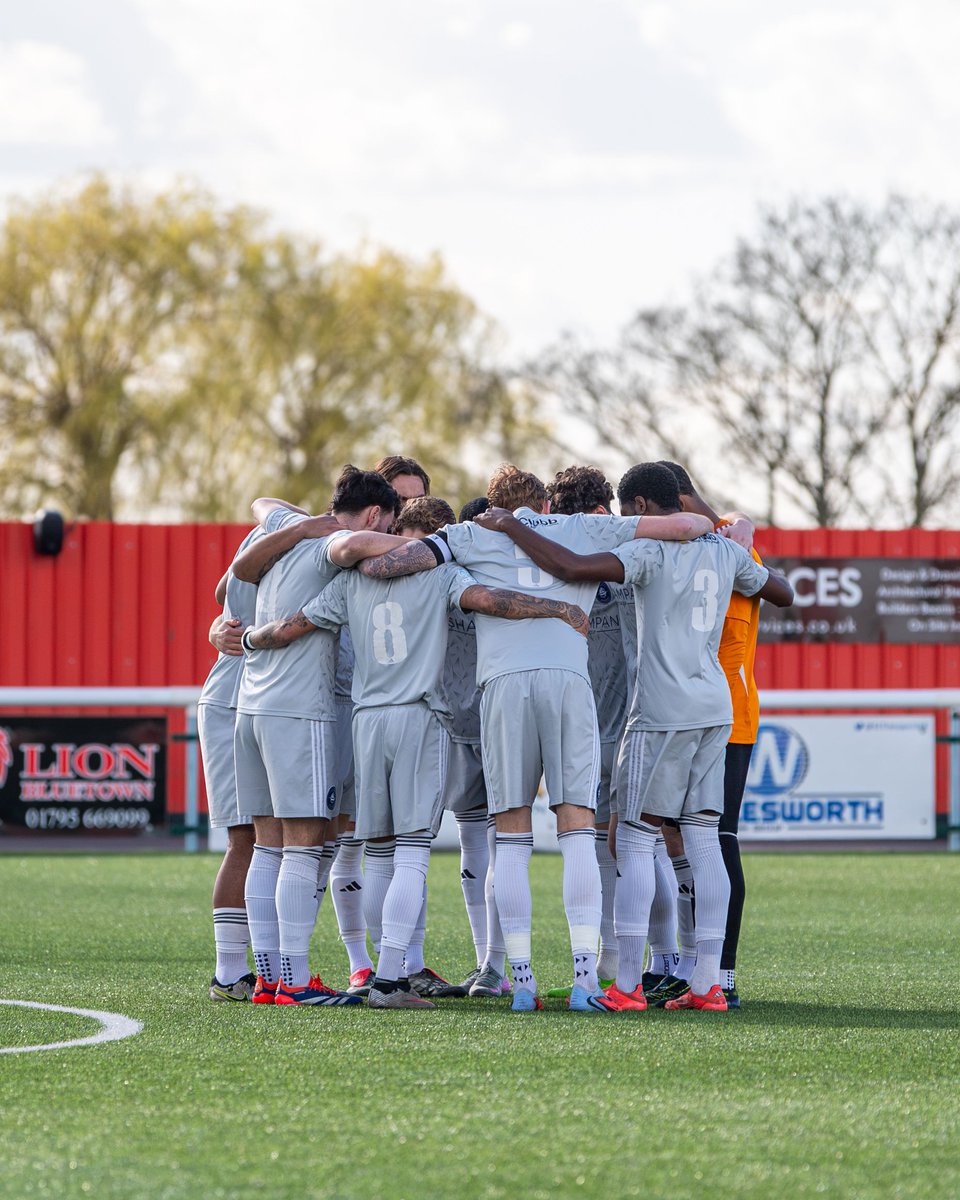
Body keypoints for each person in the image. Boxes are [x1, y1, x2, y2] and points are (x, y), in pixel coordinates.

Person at [354, 463, 713, 1014]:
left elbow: (402, 562)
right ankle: (585, 981)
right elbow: (687, 529)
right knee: (577, 833)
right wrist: (727, 524)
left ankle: (519, 982)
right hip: (569, 685)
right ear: (545, 504)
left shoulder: (472, 534)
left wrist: (343, 551)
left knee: (511, 838)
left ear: (492, 504)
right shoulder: (580, 528)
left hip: (500, 690)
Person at [242, 498, 591, 1010]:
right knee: (411, 853)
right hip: (418, 719)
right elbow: (494, 600)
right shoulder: (442, 575)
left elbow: (291, 627)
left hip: (366, 721)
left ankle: (370, 973)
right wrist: (558, 607)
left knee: (375, 853)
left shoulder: (349, 581)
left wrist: (248, 637)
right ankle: (390, 981)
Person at [475, 462, 792, 1012]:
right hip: (716, 709)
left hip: (658, 711)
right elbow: (782, 591)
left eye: (627, 512)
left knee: (638, 840)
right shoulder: (724, 551)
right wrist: (734, 533)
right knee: (702, 839)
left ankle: (625, 985)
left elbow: (568, 563)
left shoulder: (648, 552)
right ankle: (708, 985)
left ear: (641, 506)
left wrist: (510, 525)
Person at [233, 466, 401, 1007]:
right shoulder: (333, 543)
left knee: (267, 846)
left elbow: (263, 501)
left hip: (251, 706)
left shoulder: (287, 532)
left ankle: (266, 977)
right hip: (299, 711)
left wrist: (300, 523)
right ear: (376, 514)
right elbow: (354, 541)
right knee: (305, 845)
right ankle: (296, 980)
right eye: (391, 526)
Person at [658, 460, 769, 1009]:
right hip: (699, 709)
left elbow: (780, 590)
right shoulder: (721, 544)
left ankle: (720, 976)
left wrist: (733, 521)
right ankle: (693, 969)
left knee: (718, 839)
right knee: (684, 837)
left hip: (727, 714)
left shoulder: (728, 548)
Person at [540, 466, 632, 998]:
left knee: (599, 844)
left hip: (580, 719)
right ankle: (642, 961)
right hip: (630, 719)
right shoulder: (629, 545)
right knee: (634, 846)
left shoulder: (552, 552)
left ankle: (612, 960)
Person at [199, 527, 263, 1001]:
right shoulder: (298, 536)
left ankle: (269, 966)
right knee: (248, 837)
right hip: (234, 703)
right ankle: (231, 972)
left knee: (294, 840)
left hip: (268, 704)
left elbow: (224, 591)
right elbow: (226, 589)